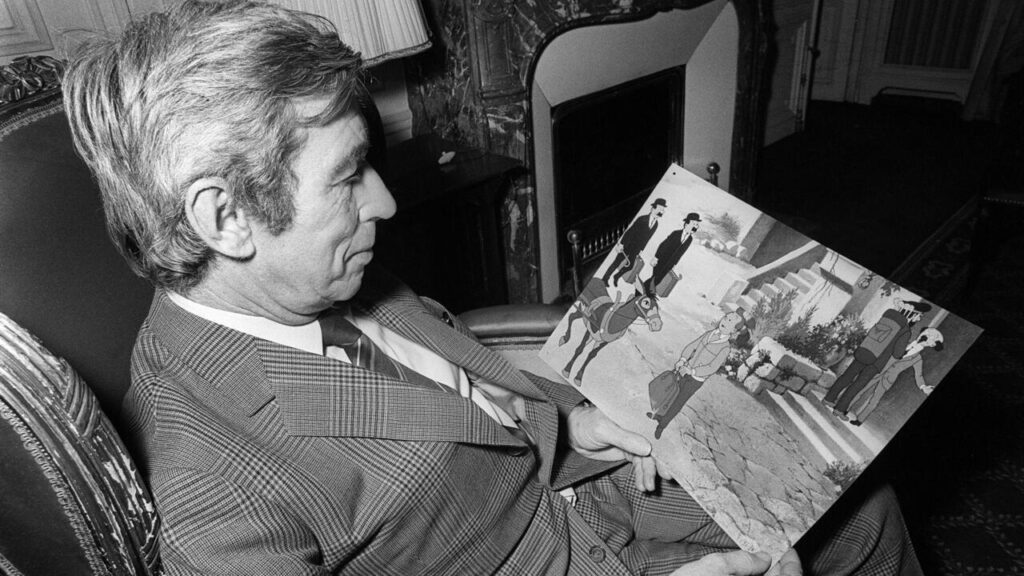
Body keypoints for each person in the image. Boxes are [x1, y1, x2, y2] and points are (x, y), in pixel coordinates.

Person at [62, 1, 923, 574]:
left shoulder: (310, 278)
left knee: (861, 507)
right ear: (224, 217)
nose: (384, 202)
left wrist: (575, 427)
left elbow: (459, 399)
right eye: (349, 176)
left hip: (578, 482)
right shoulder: (211, 483)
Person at [647, 310, 746, 439]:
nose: (725, 321)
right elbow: (693, 346)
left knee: (678, 403)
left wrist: (693, 371)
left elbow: (712, 367)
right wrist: (682, 359)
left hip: (695, 380)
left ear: (734, 330)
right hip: (684, 370)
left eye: (730, 321)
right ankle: (659, 414)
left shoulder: (725, 347)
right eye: (726, 317)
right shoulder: (710, 334)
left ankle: (661, 426)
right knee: (670, 394)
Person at [824, 298, 931, 416]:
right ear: (913, 314)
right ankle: (839, 409)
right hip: (877, 362)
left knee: (847, 376)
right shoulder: (905, 330)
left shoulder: (887, 318)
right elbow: (897, 353)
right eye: (919, 316)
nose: (919, 319)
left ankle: (828, 398)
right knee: (858, 385)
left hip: (865, 351)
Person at [844, 328, 944, 425]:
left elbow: (919, 375)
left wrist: (923, 387)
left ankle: (860, 420)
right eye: (926, 334)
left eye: (930, 337)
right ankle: (845, 408)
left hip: (889, 378)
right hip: (879, 369)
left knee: (875, 399)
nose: (926, 337)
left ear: (932, 345)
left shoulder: (917, 359)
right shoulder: (905, 342)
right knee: (861, 389)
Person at [602, 198, 666, 287]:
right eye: (659, 209)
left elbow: (647, 239)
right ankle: (605, 278)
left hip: (636, 248)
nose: (661, 212)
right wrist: (622, 244)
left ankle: (616, 276)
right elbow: (630, 231)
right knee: (617, 262)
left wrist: (641, 249)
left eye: (662, 210)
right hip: (628, 244)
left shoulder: (656, 225)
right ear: (653, 208)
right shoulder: (642, 219)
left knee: (630, 266)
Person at [643, 212, 701, 297]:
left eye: (697, 225)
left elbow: (681, 253)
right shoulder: (676, 233)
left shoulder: (690, 239)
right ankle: (644, 292)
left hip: (670, 264)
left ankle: (645, 292)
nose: (695, 227)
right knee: (655, 277)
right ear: (686, 223)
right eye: (694, 224)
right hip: (661, 259)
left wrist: (674, 264)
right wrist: (656, 257)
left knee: (659, 279)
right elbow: (663, 245)